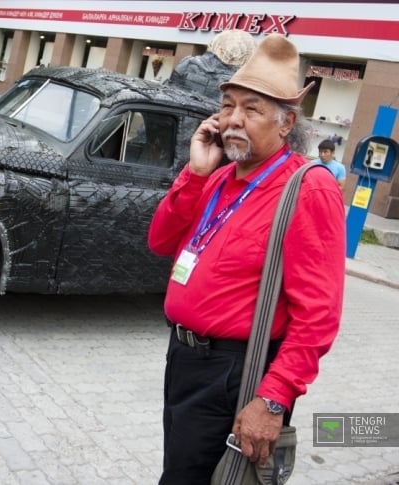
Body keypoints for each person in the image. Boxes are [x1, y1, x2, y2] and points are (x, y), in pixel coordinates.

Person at [147, 34, 345, 484]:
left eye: (252, 109)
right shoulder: (218, 178)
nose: (234, 120)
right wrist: (195, 172)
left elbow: (318, 315)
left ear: (285, 123)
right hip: (185, 360)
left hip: (237, 374)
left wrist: (273, 399)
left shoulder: (307, 187)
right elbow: (160, 242)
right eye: (228, 106)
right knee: (180, 472)